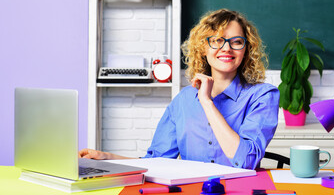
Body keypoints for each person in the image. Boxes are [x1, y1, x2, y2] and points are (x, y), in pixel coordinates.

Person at [79, 9, 279, 169]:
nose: (226, 48)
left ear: (246, 50)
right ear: (203, 48)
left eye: (236, 42)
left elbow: (246, 161)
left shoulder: (263, 96)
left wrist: (207, 102)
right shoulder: (184, 100)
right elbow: (157, 160)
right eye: (217, 40)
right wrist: (105, 157)